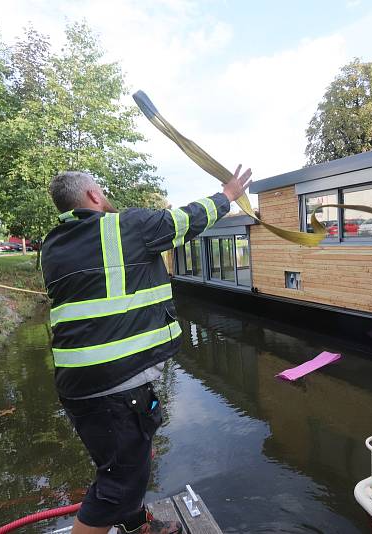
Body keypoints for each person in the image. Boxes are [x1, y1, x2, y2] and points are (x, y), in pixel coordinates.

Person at [41, 166, 251, 534]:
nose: (106, 198)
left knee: (126, 464)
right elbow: (184, 220)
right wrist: (228, 195)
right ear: (92, 196)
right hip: (116, 384)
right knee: (116, 486)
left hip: (78, 386)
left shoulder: (53, 245)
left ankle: (138, 527)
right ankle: (126, 520)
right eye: (101, 191)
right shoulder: (124, 226)